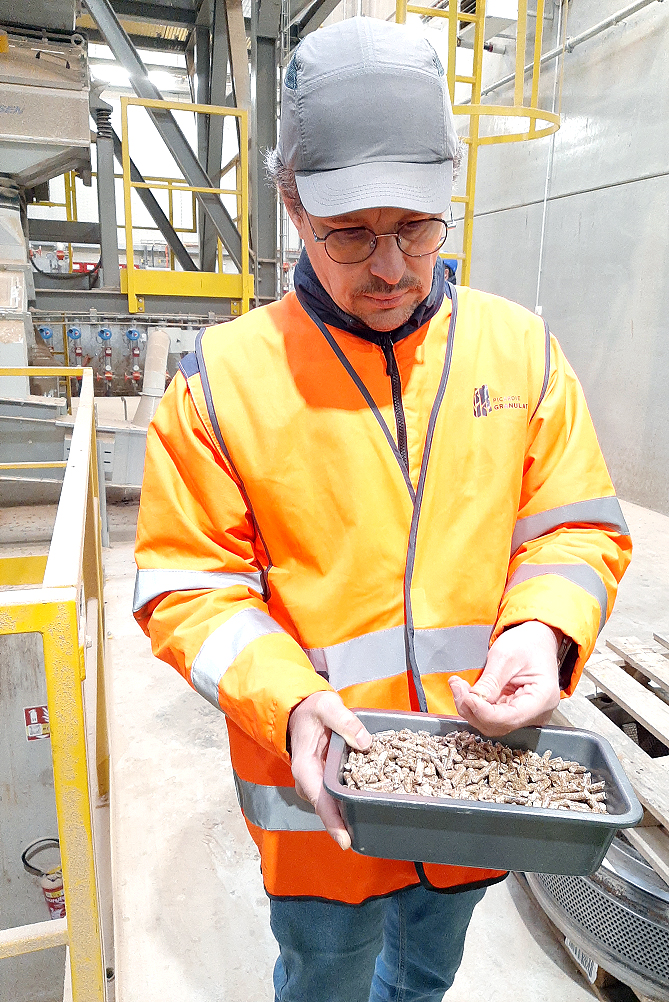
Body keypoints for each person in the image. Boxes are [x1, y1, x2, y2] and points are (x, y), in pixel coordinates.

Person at [133, 16, 631, 1002]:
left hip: (479, 792)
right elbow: (191, 588)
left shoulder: (519, 354)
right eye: (350, 235)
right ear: (290, 202)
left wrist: (543, 631)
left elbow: (575, 528)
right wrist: (290, 703)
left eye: (415, 227)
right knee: (324, 978)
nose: (392, 267)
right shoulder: (224, 383)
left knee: (426, 976)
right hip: (322, 804)